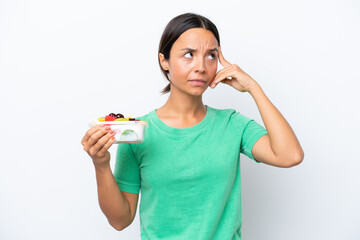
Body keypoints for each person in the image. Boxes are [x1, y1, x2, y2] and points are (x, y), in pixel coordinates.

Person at [81, 12, 304, 240]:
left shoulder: (232, 124)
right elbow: (120, 220)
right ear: (164, 60)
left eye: (211, 56)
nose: (201, 66)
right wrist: (101, 164)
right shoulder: (138, 133)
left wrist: (254, 88)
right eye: (189, 54)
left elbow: (289, 155)